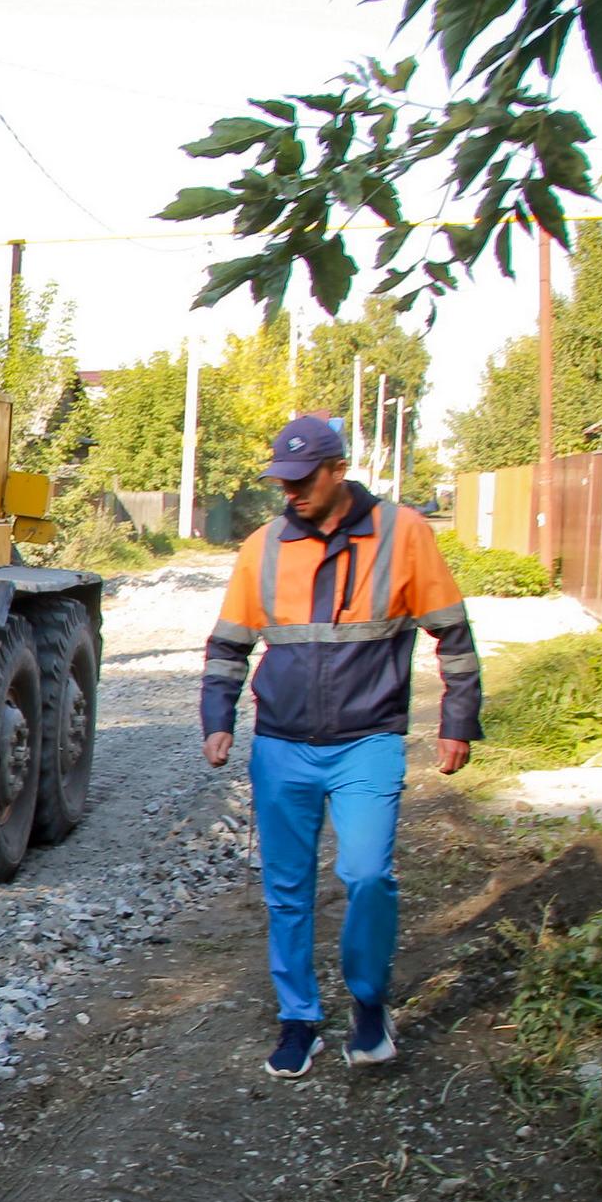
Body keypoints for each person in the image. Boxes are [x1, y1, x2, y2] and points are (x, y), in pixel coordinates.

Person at [201, 414, 482, 1077]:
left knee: (364, 875)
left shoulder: (403, 534)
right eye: (282, 480)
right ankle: (298, 1018)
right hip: (282, 746)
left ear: (336, 471)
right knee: (286, 889)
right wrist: (217, 717)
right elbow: (227, 645)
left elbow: (453, 633)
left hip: (368, 740)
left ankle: (367, 1005)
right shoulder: (261, 547)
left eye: (302, 479)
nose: (290, 491)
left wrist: (456, 720)